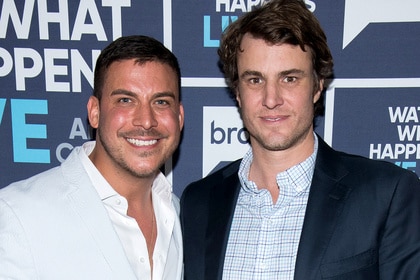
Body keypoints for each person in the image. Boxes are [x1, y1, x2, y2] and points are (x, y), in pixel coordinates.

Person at [180, 0, 420, 279]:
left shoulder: (386, 194)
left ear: (317, 86)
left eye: (290, 79)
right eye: (255, 80)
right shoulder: (199, 203)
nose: (272, 99)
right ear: (237, 92)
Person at [0, 35, 184, 279]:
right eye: (126, 100)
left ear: (179, 118)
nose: (146, 121)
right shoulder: (18, 214)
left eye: (161, 102)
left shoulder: (176, 212)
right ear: (94, 113)